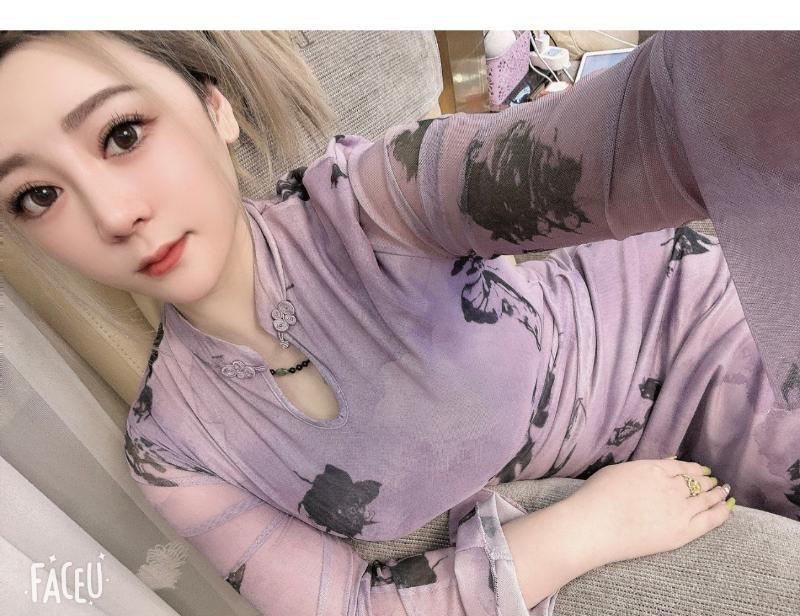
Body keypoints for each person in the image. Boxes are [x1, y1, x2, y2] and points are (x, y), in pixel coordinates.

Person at [1, 30, 798, 616]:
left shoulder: (377, 197)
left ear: (217, 109)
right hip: (606, 476)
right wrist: (578, 533)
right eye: (37, 195)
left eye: (122, 134)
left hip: (695, 337)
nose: (113, 215)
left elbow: (648, 132)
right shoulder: (172, 451)